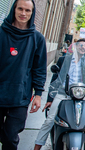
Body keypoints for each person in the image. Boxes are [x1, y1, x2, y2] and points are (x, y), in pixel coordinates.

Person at [34, 39, 85, 150]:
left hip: (81, 94)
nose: (83, 47)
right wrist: (50, 99)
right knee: (50, 120)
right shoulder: (64, 59)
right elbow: (55, 78)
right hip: (63, 93)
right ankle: (37, 147)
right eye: (80, 45)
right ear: (75, 46)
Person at [0, 0, 47, 150]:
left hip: (20, 96)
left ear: (32, 13)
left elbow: (39, 69)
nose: (23, 13)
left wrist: (38, 94)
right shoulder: (1, 33)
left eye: (27, 10)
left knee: (10, 137)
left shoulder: (37, 39)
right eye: (20, 9)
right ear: (13, 9)